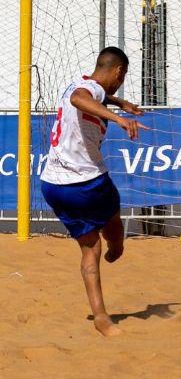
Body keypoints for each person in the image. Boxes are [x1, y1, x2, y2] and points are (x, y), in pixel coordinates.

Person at [39, 46, 149, 337]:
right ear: (118, 71)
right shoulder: (85, 92)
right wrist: (119, 118)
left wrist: (120, 102)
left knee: (90, 248)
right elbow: (81, 99)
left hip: (52, 184)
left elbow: (88, 94)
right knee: (113, 218)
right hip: (86, 183)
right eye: (121, 79)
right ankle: (118, 247)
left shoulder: (78, 84)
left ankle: (101, 317)